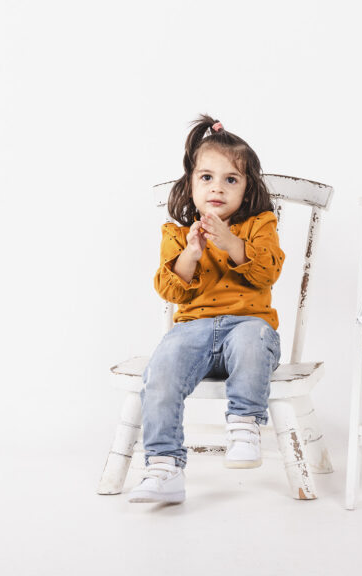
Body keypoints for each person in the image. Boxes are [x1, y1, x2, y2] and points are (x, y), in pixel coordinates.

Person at [129, 115, 285, 504]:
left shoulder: (259, 224)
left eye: (231, 179)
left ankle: (245, 427)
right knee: (161, 370)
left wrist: (232, 242)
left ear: (247, 189)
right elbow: (169, 290)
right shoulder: (177, 234)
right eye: (207, 178)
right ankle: (163, 466)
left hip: (247, 327)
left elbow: (268, 272)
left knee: (253, 337)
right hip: (192, 331)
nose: (218, 188)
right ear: (190, 184)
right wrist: (191, 254)